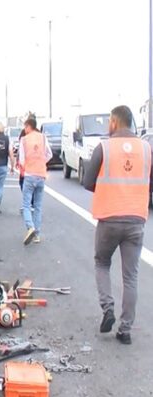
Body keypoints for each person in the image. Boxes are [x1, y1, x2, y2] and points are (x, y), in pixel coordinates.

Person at [82, 105, 153, 345]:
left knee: (102, 262)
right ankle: (125, 330)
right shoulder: (147, 148)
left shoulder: (104, 147)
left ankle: (108, 308)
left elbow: (87, 181)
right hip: (136, 219)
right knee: (130, 276)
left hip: (110, 218)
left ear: (114, 121)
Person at [19, 117, 52, 245]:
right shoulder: (43, 138)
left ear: (28, 126)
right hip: (41, 175)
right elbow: (49, 154)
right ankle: (37, 234)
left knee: (27, 204)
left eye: (25, 127)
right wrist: (41, 162)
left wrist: (27, 166)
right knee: (37, 206)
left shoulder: (24, 140)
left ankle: (30, 226)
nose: (24, 129)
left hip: (29, 174)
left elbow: (22, 159)